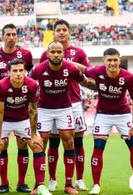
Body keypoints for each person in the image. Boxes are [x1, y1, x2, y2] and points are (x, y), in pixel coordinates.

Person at [73, 48, 133, 195]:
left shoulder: (129, 77)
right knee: (98, 148)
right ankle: (96, 185)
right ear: (104, 61)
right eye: (109, 60)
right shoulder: (97, 71)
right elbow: (83, 68)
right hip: (103, 114)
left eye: (115, 60)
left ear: (120, 60)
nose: (112, 63)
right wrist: (65, 62)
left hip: (123, 114)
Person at [29, 41, 96, 195]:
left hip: (64, 109)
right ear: (47, 53)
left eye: (59, 52)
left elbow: (86, 82)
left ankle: (68, 184)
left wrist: (104, 84)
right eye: (53, 52)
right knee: (40, 143)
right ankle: (38, 184)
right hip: (44, 109)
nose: (57, 54)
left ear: (63, 53)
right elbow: (27, 85)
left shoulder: (71, 68)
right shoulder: (38, 69)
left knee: (69, 140)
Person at [40, 19, 91, 191]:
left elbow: (88, 73)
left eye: (64, 30)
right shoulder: (46, 53)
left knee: (77, 141)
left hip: (74, 102)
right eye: (58, 30)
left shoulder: (78, 52)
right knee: (53, 143)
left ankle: (79, 179)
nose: (61, 33)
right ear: (53, 33)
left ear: (69, 32)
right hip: (52, 105)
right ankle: (53, 179)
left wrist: (71, 64)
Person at [0, 58, 51, 195]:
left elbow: (33, 110)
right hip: (4, 120)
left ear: (25, 71)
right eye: (15, 71)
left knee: (37, 145)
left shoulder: (32, 85)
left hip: (23, 120)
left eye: (21, 70)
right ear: (8, 72)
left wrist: (34, 134)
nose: (18, 74)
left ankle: (40, 186)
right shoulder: (1, 86)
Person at [0, 23, 34, 193]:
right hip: (2, 107)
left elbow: (29, 75)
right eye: (7, 34)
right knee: (2, 145)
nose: (11, 37)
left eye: (14, 34)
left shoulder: (26, 54)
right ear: (2, 36)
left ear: (17, 36)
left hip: (21, 108)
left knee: (23, 145)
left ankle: (21, 182)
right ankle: (3, 183)